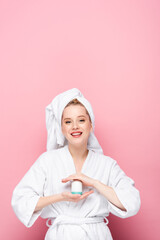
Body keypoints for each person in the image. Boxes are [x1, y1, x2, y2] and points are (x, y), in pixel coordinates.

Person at [11, 88, 141, 239]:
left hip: (96, 235)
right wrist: (61, 197)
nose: (75, 127)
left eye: (81, 120)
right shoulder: (47, 161)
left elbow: (132, 202)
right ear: (61, 128)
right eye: (68, 121)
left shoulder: (107, 165)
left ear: (91, 125)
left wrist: (94, 182)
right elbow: (21, 201)